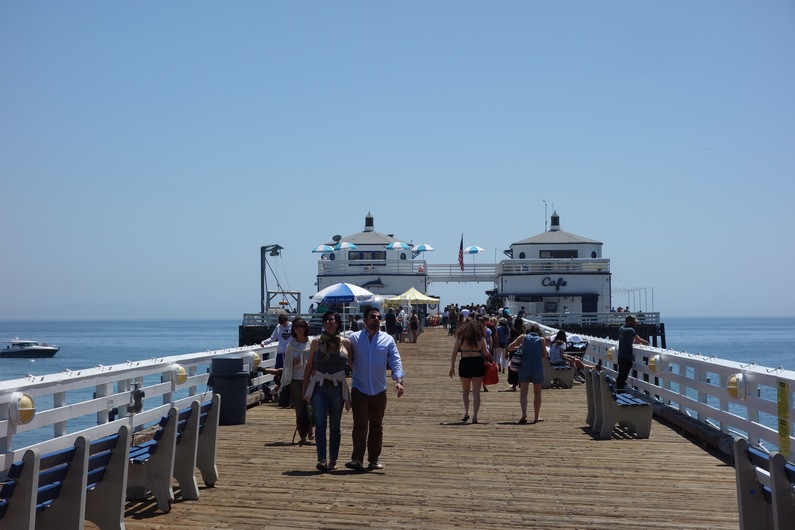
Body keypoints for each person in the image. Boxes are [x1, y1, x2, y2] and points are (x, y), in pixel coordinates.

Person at [346, 305, 405, 471]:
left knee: (376, 425)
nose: (376, 319)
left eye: (378, 317)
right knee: (360, 425)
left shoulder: (388, 339)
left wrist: (399, 381)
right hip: (359, 387)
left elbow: (395, 361)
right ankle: (357, 459)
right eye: (372, 317)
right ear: (365, 320)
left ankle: (373, 459)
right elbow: (342, 350)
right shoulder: (354, 338)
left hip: (379, 389)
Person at [303, 311, 350, 472]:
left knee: (335, 426)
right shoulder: (316, 342)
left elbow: (353, 365)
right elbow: (309, 365)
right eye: (326, 320)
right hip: (319, 388)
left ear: (338, 323)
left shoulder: (346, 342)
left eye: (332, 320)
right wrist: (305, 388)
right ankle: (321, 459)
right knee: (321, 424)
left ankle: (333, 460)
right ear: (323, 324)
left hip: (337, 388)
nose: (329, 322)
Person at [506, 323, 547, 424]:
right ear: (538, 332)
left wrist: (520, 348)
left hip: (524, 368)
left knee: (524, 393)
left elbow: (509, 348)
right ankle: (536, 417)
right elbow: (545, 356)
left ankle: (524, 413)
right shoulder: (542, 340)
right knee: (537, 393)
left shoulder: (523, 337)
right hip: (537, 368)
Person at [449, 319, 488, 423]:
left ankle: (466, 412)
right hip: (477, 363)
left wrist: (452, 367)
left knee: (466, 391)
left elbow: (454, 354)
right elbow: (486, 353)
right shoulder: (481, 338)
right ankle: (475, 416)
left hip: (465, 363)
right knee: (476, 393)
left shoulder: (461, 337)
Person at [282, 317, 312, 444]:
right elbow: (286, 363)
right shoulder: (291, 345)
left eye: (302, 326)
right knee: (299, 408)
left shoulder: (311, 343)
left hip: (310, 378)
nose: (299, 329)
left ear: (305, 328)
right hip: (295, 379)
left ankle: (310, 428)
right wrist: (293, 362)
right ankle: (302, 435)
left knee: (311, 406)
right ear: (293, 329)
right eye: (297, 326)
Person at [616, 315, 649, 390]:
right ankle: (620, 391)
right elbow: (640, 341)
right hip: (627, 356)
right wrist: (648, 343)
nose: (635, 324)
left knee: (620, 375)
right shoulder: (630, 330)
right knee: (624, 376)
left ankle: (619, 390)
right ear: (629, 322)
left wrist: (633, 342)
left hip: (621, 355)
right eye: (634, 322)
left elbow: (626, 339)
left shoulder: (621, 328)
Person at [506, 317, 525, 391]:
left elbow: (508, 340)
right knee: (521, 367)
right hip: (521, 350)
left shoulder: (513, 330)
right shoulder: (523, 331)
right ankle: (521, 383)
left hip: (513, 351)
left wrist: (506, 350)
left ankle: (514, 384)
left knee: (512, 367)